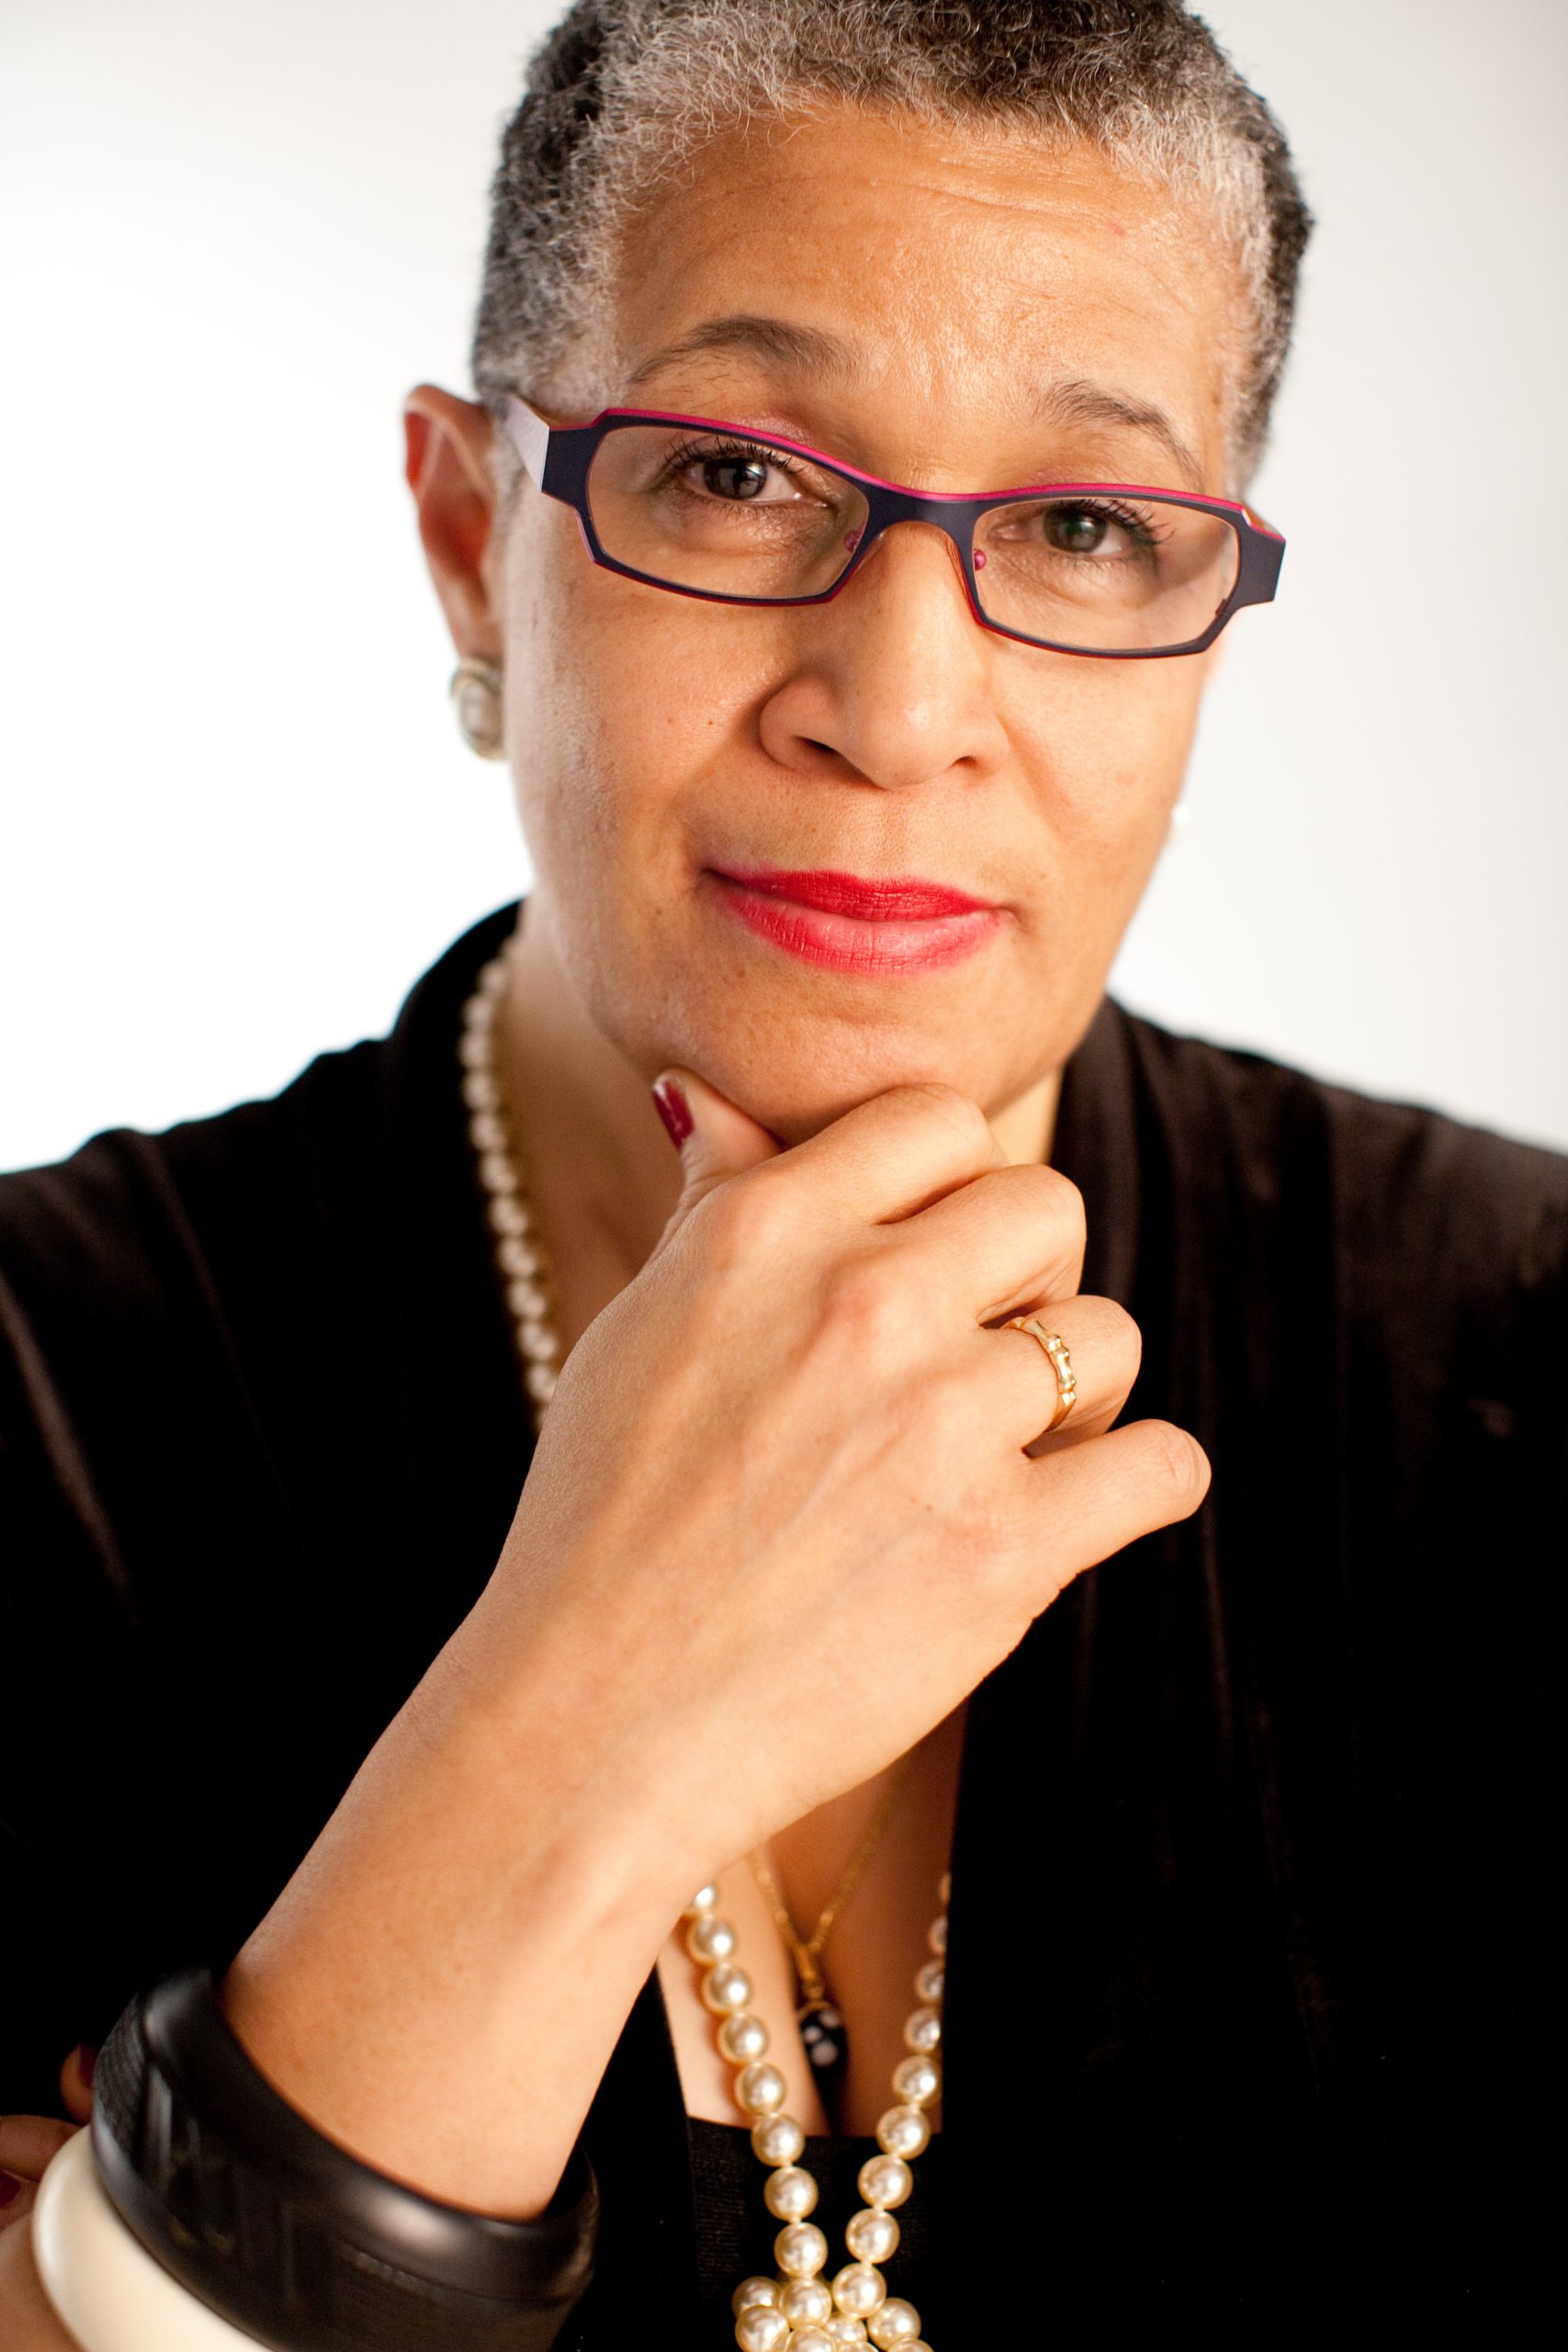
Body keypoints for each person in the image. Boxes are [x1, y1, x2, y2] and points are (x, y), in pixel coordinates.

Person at [2, 2, 1562, 2344]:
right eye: (734, 475)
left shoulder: (1522, 1352)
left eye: (1081, 523)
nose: (902, 698)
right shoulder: (33, 1389)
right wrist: (589, 1713)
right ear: (466, 537)